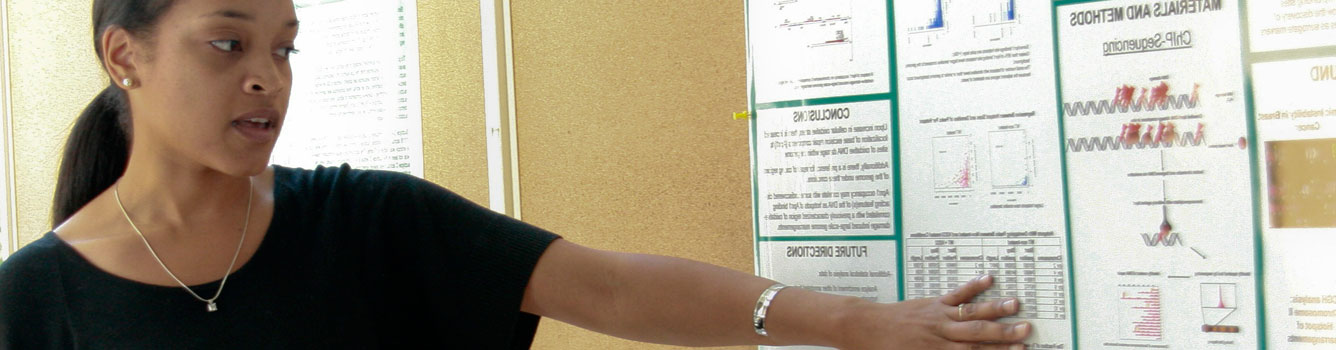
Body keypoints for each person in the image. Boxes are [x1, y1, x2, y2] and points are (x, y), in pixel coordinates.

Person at [0, 0, 1034, 348]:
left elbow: (614, 283)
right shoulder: (33, 301)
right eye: (228, 45)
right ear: (123, 55)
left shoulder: (368, 221)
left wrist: (859, 322)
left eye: (286, 46)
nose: (267, 79)